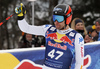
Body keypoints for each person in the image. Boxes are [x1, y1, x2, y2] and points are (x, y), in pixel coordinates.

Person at [15, 3, 84, 69]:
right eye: (54, 18)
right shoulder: (48, 29)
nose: (56, 22)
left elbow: (79, 63)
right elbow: (26, 28)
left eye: (59, 18)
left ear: (67, 19)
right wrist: (20, 17)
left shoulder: (76, 37)